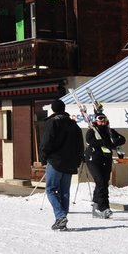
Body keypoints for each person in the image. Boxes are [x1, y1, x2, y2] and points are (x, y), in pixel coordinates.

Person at [38, 99, 83, 231]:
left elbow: (47, 142)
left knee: (51, 189)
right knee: (64, 191)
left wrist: (43, 158)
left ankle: (60, 216)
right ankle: (62, 219)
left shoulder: (53, 122)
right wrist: (77, 160)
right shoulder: (74, 125)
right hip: (70, 163)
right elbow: (80, 145)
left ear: (53, 109)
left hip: (56, 161)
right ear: (64, 109)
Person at [84, 112, 126, 218]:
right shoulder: (92, 131)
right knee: (101, 182)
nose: (102, 122)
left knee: (103, 183)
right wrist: (104, 142)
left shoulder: (110, 131)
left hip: (106, 160)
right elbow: (90, 141)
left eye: (103, 120)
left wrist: (114, 142)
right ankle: (104, 208)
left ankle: (96, 207)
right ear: (96, 121)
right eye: (100, 120)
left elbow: (122, 139)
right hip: (93, 160)